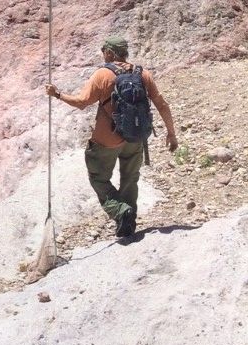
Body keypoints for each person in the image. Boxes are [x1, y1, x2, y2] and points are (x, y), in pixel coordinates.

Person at [46, 36, 178, 240]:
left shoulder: (102, 75)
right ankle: (127, 224)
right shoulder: (143, 73)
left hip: (106, 139)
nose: (103, 55)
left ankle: (120, 211)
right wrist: (171, 133)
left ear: (109, 53)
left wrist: (57, 94)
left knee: (98, 178)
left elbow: (82, 102)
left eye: (103, 51)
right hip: (135, 138)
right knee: (130, 178)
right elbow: (162, 104)